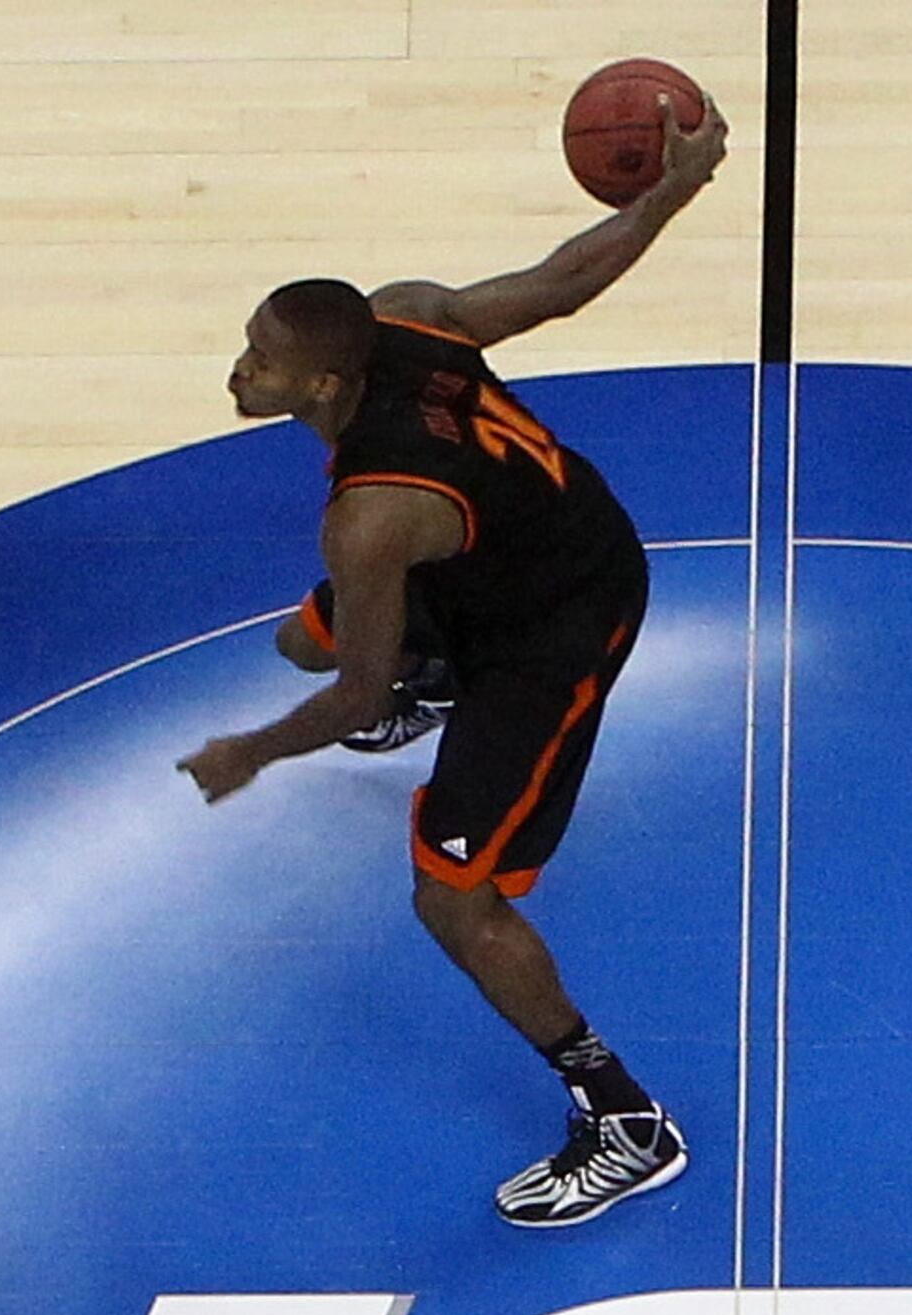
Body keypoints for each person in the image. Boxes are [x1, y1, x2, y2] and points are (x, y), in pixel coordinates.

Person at [182, 94, 726, 1230]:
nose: (242, 372)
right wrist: (668, 191)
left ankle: (622, 1118)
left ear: (327, 385)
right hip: (500, 548)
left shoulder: (372, 518)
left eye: (264, 363)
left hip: (558, 625)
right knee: (299, 637)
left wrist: (252, 753)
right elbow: (562, 279)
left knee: (451, 894)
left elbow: (355, 697)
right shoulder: (411, 318)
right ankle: (445, 678)